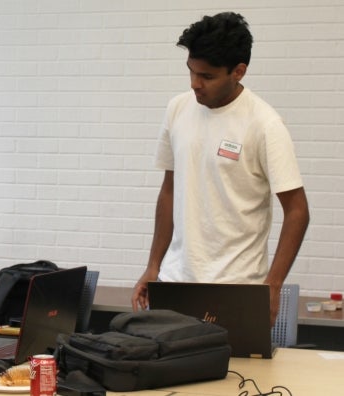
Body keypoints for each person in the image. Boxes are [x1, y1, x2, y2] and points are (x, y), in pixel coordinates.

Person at [131, 12, 310, 326]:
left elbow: (297, 211)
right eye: (191, 71)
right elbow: (169, 191)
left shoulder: (265, 124)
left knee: (240, 376)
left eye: (207, 76)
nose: (195, 84)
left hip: (237, 290)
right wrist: (153, 265)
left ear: (238, 72)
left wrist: (273, 284)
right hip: (176, 285)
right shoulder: (177, 109)